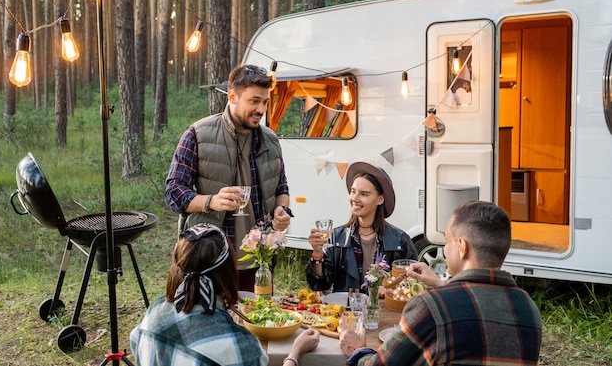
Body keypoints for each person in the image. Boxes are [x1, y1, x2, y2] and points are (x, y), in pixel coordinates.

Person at [338, 200, 543, 366]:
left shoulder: (431, 305)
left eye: (447, 241)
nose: (445, 250)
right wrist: (439, 283)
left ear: (462, 246)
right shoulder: (528, 308)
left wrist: (359, 350)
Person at [165, 64, 292, 290]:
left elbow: (281, 188)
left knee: (254, 324)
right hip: (208, 258)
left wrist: (282, 211)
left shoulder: (271, 140)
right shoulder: (198, 134)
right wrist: (210, 201)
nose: (261, 109)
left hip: (260, 261)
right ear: (232, 96)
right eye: (254, 101)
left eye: (265, 102)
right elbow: (174, 192)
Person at [130, 223, 319, 366]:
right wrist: (294, 354)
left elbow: (135, 340)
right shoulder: (241, 345)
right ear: (228, 272)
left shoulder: (154, 311)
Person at [306, 162, 417, 294]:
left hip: (384, 313)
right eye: (353, 192)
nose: (355, 198)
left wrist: (392, 289)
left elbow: (414, 283)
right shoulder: (336, 237)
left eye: (364, 194)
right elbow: (320, 285)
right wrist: (317, 254)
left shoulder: (400, 240)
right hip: (346, 312)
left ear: (380, 199)